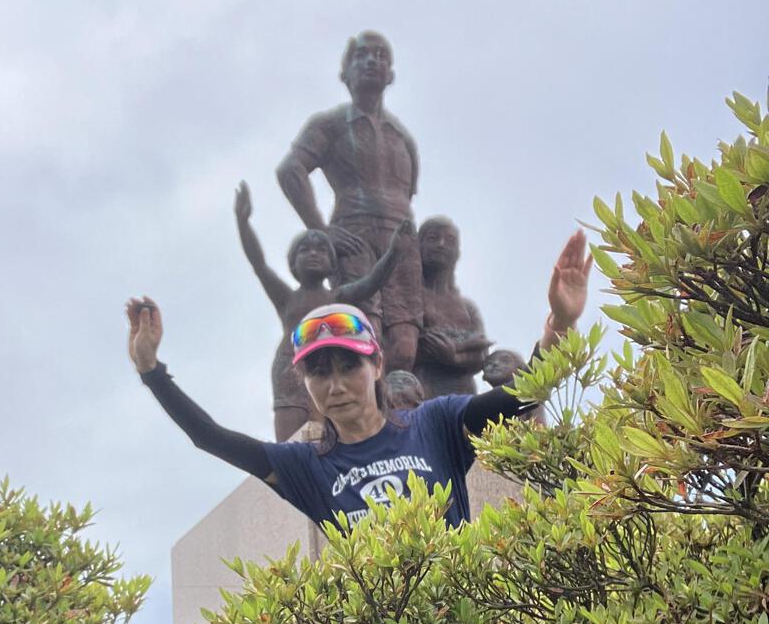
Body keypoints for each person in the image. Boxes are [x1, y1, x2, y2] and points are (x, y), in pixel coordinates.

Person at [127, 230, 592, 530]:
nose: (335, 384)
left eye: (349, 366)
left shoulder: (436, 424)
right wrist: (152, 371)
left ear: (377, 366)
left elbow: (523, 392)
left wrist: (560, 324)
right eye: (318, 371)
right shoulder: (304, 465)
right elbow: (209, 437)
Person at [276, 31, 423, 372]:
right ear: (345, 73)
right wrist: (321, 229)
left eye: (380, 55)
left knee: (405, 343)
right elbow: (291, 171)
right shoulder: (330, 124)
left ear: (390, 73)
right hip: (353, 233)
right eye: (361, 55)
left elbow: (408, 192)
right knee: (362, 331)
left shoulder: (402, 137)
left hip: (400, 236)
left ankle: (404, 412)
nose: (372, 61)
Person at [234, 179, 408, 440]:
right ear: (293, 263)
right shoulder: (286, 298)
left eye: (321, 250)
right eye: (305, 250)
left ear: (332, 263)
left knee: (325, 431)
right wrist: (243, 222)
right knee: (290, 437)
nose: (313, 254)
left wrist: (394, 252)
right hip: (288, 367)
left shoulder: (338, 296)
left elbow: (372, 282)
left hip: (326, 367)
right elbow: (259, 264)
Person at [414, 216, 492, 398]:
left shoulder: (467, 307)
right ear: (419, 245)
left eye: (450, 241)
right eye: (433, 238)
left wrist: (454, 356)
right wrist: (464, 344)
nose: (441, 245)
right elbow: (404, 345)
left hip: (462, 396)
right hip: (421, 393)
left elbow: (482, 353)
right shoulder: (409, 296)